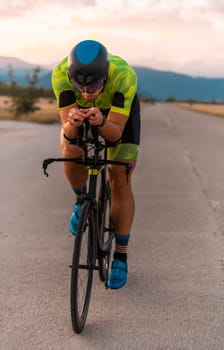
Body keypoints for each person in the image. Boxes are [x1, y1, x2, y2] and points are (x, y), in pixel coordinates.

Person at [51, 39, 140, 289]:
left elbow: (114, 134)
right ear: (71, 76)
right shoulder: (60, 75)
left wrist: (101, 122)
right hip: (81, 113)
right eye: (80, 85)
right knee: (70, 149)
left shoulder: (124, 76)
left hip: (115, 117)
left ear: (106, 75)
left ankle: (120, 255)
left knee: (119, 174)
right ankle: (81, 199)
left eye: (95, 85)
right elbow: (68, 133)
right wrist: (72, 122)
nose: (87, 92)